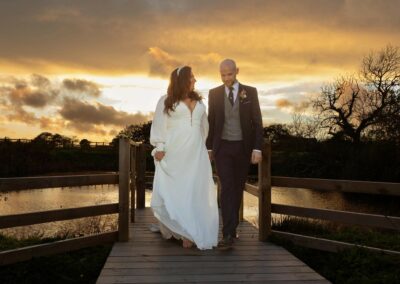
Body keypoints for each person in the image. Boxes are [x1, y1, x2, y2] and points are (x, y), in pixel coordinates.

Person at [150, 66, 219, 250]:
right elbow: (159, 125)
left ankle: (193, 229)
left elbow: (204, 126)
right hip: (175, 151)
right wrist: (159, 146)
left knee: (195, 190)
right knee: (177, 190)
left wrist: (205, 148)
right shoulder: (165, 101)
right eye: (192, 78)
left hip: (196, 152)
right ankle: (183, 232)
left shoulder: (199, 101)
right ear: (182, 80)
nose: (195, 81)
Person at [206, 59, 263, 250]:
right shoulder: (214, 94)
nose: (226, 78)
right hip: (222, 148)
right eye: (222, 75)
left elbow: (257, 122)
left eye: (229, 74)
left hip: (243, 148)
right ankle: (227, 234)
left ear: (237, 71)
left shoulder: (250, 92)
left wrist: (257, 148)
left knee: (237, 188)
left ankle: (232, 228)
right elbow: (211, 122)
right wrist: (209, 148)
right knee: (227, 187)